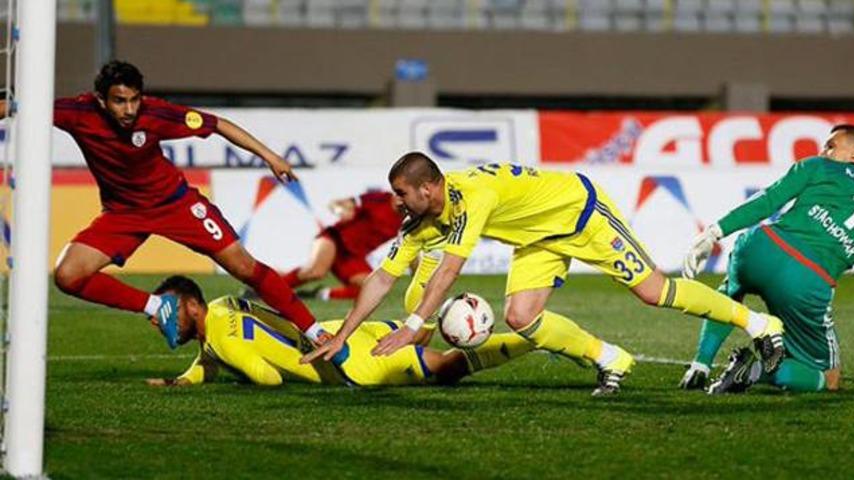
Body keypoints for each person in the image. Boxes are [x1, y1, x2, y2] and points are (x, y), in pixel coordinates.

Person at [304, 154, 786, 396]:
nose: (395, 202)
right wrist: (343, 334)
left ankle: (762, 326)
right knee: (521, 315)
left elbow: (448, 272)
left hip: (582, 215)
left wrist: (412, 329)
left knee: (653, 292)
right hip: (538, 239)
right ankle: (611, 358)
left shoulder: (473, 196)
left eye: (400, 193)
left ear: (428, 188)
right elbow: (381, 279)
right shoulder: (423, 218)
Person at [0, 60, 327, 347]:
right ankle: (157, 306)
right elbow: (16, 108)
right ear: (101, 101)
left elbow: (218, 125)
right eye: (119, 101)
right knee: (68, 275)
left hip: (176, 205)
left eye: (134, 100)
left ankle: (314, 332)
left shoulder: (155, 113)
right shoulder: (78, 113)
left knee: (244, 266)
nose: (129, 110)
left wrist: (270, 157)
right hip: (123, 215)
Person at [679, 124, 854, 394]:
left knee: (729, 294)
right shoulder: (824, 165)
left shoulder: (818, 167)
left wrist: (714, 232)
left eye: (831, 146)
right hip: (807, 278)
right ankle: (753, 371)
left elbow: (768, 200)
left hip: (761, 247)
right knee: (828, 378)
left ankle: (700, 365)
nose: (823, 151)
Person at [145, 276, 534, 387]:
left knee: (448, 367)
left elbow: (266, 378)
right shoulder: (221, 307)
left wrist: (239, 373)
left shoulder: (222, 342)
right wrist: (184, 380)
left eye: (165, 310)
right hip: (337, 331)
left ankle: (533, 336)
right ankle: (449, 310)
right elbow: (209, 352)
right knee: (420, 335)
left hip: (347, 361)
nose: (156, 319)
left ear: (192, 306)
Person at [280, 190, 403, 301]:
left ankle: (318, 294)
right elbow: (336, 204)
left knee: (373, 287)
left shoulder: (408, 217)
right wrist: (341, 211)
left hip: (352, 256)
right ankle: (269, 289)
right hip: (335, 239)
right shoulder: (380, 198)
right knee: (315, 271)